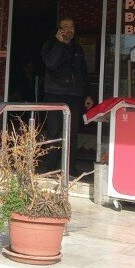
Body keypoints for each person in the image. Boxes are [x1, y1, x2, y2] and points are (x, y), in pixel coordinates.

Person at [40, 17, 94, 173]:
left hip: (74, 96)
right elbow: (51, 63)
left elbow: (83, 73)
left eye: (71, 26)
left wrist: (87, 95)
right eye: (65, 26)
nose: (69, 29)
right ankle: (51, 166)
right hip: (54, 94)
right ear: (59, 29)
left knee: (72, 132)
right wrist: (59, 43)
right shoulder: (50, 45)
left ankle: (69, 167)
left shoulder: (78, 48)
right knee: (54, 131)